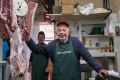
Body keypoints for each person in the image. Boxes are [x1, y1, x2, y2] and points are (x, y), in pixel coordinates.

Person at [22, 21, 108, 80]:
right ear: (56, 33)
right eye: (59, 30)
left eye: (64, 30)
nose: (62, 32)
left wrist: (99, 69)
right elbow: (37, 50)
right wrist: (28, 39)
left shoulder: (75, 42)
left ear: (68, 31)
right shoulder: (52, 45)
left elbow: (88, 57)